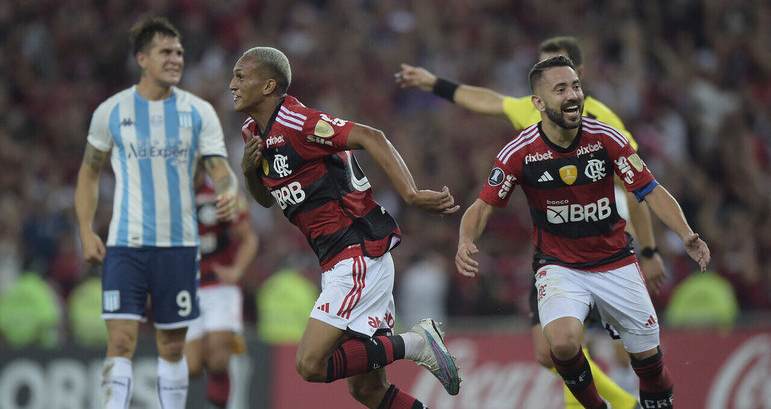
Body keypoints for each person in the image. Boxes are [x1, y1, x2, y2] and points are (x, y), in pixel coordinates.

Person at [396, 36, 664, 409]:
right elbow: (488, 100)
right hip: (558, 254)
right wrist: (434, 83)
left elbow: (638, 190)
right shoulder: (533, 112)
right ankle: (619, 404)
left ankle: (627, 400)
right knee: (553, 350)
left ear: (579, 75)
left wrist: (647, 249)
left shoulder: (606, 125)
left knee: (626, 353)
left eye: (565, 74)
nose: (557, 83)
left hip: (609, 247)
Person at [455, 55, 710, 409]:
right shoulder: (520, 151)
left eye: (575, 86)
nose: (573, 95)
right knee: (560, 343)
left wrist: (686, 233)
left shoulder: (606, 138)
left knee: (649, 366)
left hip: (616, 261)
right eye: (561, 89)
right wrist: (465, 240)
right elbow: (481, 206)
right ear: (539, 103)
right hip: (559, 265)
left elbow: (650, 189)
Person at [232, 46, 461, 408]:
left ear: (268, 86)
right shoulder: (253, 132)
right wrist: (249, 171)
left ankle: (417, 343)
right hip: (339, 261)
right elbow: (264, 199)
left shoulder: (298, 123)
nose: (232, 84)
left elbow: (373, 137)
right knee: (367, 390)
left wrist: (413, 194)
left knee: (310, 364)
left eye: (241, 76)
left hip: (356, 254)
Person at [74, 17, 239, 409]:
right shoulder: (112, 111)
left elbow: (219, 167)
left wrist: (229, 188)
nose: (176, 59)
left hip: (179, 247)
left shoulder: (199, 112)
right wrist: (85, 229)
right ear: (142, 59)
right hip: (125, 245)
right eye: (166, 52)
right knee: (120, 340)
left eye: (180, 52)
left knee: (171, 346)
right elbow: (88, 172)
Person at [185, 162, 259, 408]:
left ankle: (217, 403)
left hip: (219, 286)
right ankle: (220, 344)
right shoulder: (167, 198)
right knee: (192, 367)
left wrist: (236, 270)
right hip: (185, 288)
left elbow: (248, 238)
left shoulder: (223, 194)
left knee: (218, 360)